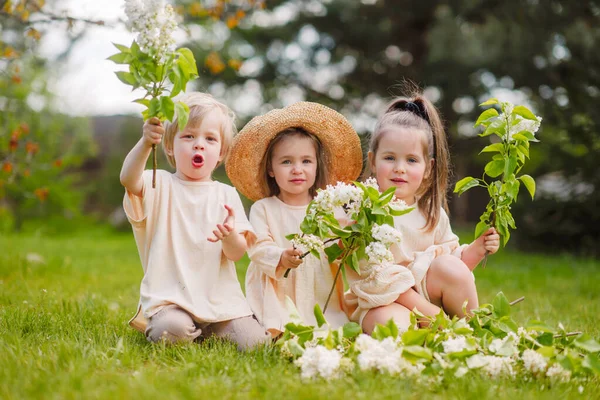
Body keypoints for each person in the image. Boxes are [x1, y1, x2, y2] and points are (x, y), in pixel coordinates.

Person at [120, 92, 270, 349]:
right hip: (172, 301)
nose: (199, 144)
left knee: (255, 343)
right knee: (171, 330)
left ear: (221, 152)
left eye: (210, 139)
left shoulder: (225, 194)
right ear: (169, 146)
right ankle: (186, 330)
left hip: (221, 304)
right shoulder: (160, 184)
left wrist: (229, 236)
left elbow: (236, 254)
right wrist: (146, 142)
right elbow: (128, 179)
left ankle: (208, 332)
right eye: (188, 136)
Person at [345, 91, 500, 334]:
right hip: (383, 301)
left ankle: (473, 332)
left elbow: (455, 268)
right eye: (389, 158)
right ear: (373, 161)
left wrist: (478, 250)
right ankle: (434, 335)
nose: (399, 168)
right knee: (392, 326)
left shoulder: (431, 213)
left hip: (427, 297)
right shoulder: (365, 212)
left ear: (429, 168)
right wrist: (433, 314)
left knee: (449, 266)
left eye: (411, 160)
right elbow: (379, 279)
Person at [226, 102, 363, 337]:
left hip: (319, 292)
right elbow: (257, 247)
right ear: (271, 168)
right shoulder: (264, 208)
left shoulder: (328, 206)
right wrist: (280, 256)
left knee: (330, 330)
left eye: (306, 161)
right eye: (286, 161)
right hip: (277, 292)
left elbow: (340, 248)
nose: (297, 169)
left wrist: (349, 238)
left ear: (317, 165)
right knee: (277, 329)